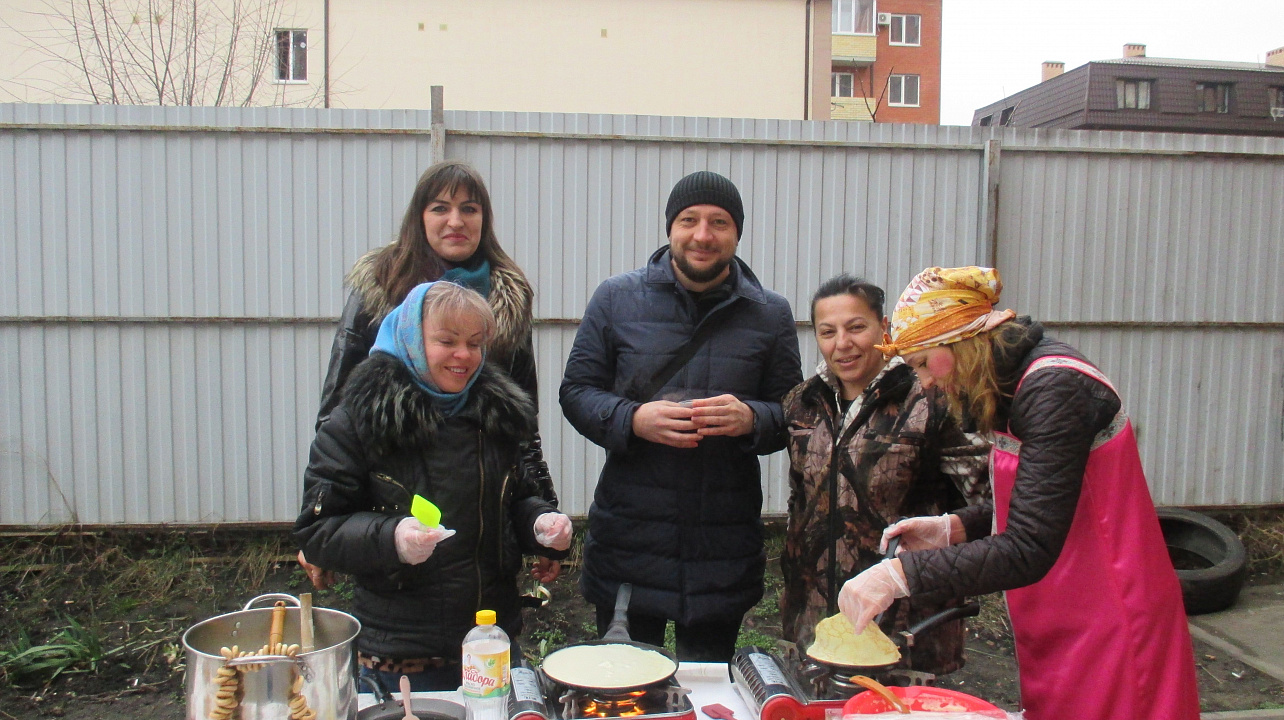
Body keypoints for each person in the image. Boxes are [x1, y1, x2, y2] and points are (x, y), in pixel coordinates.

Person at [839, 267, 1199, 720]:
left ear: (962, 342)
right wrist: (954, 527)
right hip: (1063, 610)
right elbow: (1045, 494)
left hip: (1112, 613)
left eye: (924, 363)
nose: (925, 382)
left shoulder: (1055, 389)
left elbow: (1030, 545)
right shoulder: (1013, 385)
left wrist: (900, 575)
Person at [559, 170, 803, 662]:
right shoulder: (616, 298)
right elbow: (576, 392)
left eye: (719, 222)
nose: (703, 235)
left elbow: (793, 413)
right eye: (689, 220)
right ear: (670, 227)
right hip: (631, 537)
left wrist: (752, 419)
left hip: (722, 542)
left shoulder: (770, 314)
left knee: (709, 685)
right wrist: (632, 420)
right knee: (628, 687)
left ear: (737, 233)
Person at [295, 282, 573, 692]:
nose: (464, 355)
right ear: (409, 340)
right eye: (447, 341)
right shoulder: (359, 421)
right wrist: (393, 539)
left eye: (475, 343)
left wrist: (540, 522)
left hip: (492, 642)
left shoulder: (495, 416)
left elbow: (513, 499)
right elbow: (318, 532)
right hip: (400, 658)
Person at [301, 160, 561, 589]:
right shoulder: (381, 285)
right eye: (440, 208)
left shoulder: (507, 296)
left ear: (484, 220)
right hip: (395, 508)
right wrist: (323, 514)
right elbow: (338, 404)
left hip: (478, 511)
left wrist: (544, 516)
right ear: (419, 217)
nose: (455, 221)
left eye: (469, 209)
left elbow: (522, 422)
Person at [779, 274, 989, 673]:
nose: (842, 343)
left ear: (884, 328)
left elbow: (991, 507)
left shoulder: (933, 399)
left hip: (906, 621)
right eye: (828, 332)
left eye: (856, 327)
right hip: (816, 618)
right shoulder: (801, 403)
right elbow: (799, 501)